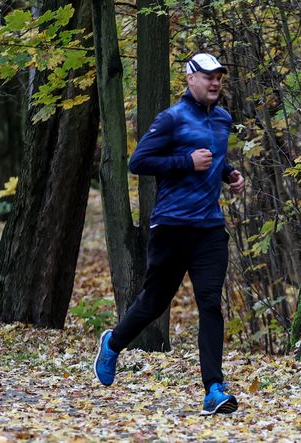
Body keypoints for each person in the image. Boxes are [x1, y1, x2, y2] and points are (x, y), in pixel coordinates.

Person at [93, 53, 245, 415]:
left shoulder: (223, 118)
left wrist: (230, 174)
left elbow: (216, 158)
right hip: (172, 226)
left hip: (209, 228)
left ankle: (213, 388)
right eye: (208, 76)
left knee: (210, 302)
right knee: (155, 301)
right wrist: (185, 163)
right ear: (190, 78)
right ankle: (114, 342)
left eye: (219, 77)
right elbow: (138, 162)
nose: (215, 83)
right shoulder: (171, 119)